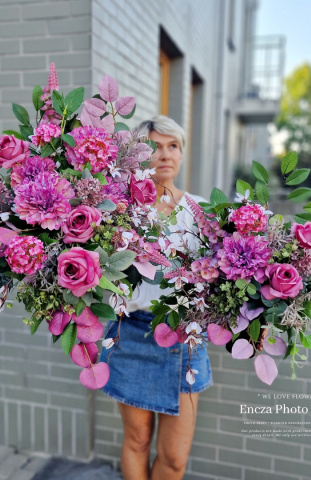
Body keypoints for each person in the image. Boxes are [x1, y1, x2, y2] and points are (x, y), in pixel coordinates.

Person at [99, 115, 213, 480]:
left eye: (173, 146)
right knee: (137, 440)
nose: (165, 155)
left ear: (181, 154)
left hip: (186, 338)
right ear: (139, 156)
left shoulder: (202, 212)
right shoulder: (119, 212)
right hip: (132, 332)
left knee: (175, 458)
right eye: (154, 147)